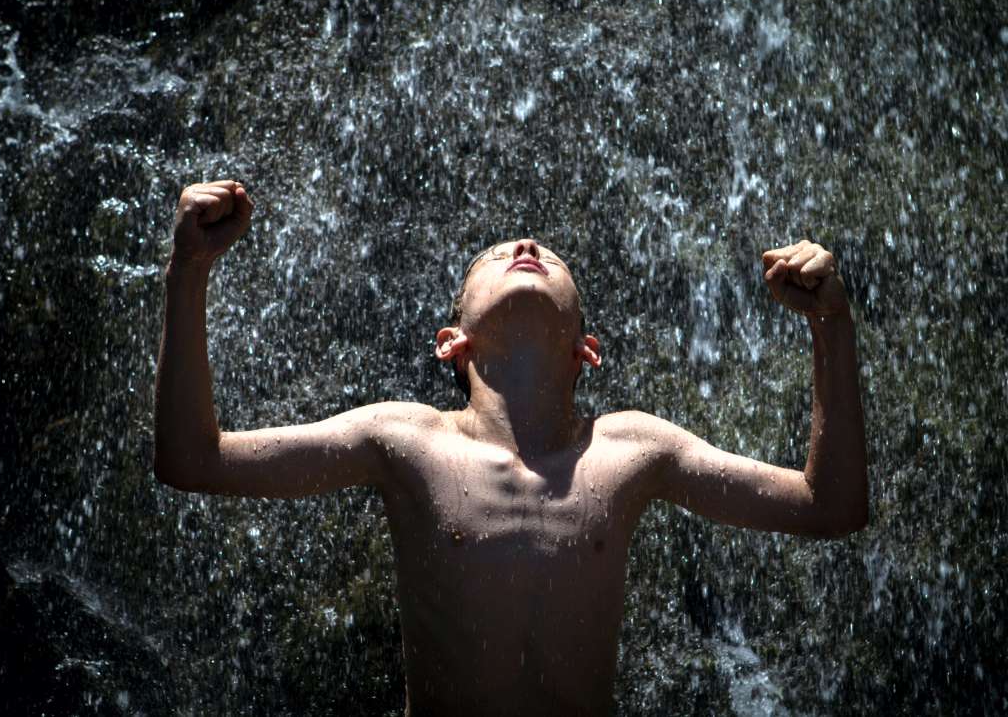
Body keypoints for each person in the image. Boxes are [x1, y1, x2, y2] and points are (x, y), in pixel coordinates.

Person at [154, 180, 868, 716]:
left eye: (546, 258)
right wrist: (187, 270)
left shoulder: (633, 448)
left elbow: (828, 505)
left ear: (588, 350)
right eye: (499, 256)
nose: (526, 249)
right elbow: (194, 459)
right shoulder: (402, 438)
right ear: (451, 342)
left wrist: (832, 324)